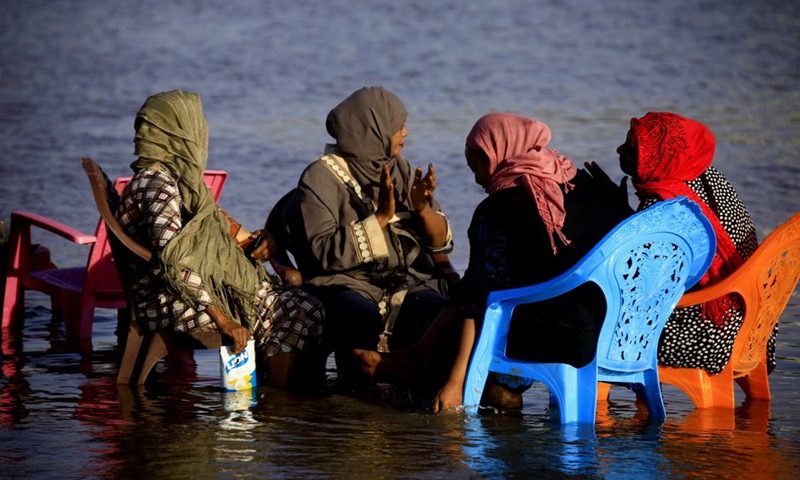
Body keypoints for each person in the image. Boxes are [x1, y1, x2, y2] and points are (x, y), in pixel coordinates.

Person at [356, 112, 631, 412]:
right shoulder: (582, 183)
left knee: (473, 306)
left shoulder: (498, 208)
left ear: (497, 155)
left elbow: (478, 301)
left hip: (557, 337)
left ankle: (438, 371)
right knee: (476, 284)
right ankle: (422, 358)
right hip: (614, 328)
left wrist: (456, 383)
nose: (477, 179)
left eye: (477, 167)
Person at [115, 90, 326, 388]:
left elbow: (217, 228)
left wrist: (259, 240)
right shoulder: (158, 187)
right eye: (195, 123)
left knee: (300, 302)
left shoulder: (177, 181)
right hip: (168, 300)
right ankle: (280, 402)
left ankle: (281, 388)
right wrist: (222, 320)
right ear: (178, 130)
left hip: (181, 292)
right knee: (296, 311)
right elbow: (175, 265)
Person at [283, 86, 455, 377]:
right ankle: (357, 400)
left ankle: (414, 391)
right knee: (359, 318)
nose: (406, 133)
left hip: (402, 281)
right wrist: (379, 219)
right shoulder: (319, 177)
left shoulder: (398, 167)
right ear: (372, 130)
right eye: (398, 127)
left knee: (433, 308)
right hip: (344, 281)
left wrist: (422, 209)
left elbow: (438, 245)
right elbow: (322, 252)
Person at [588, 111, 771, 375]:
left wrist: (607, 217)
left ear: (657, 157)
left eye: (630, 148)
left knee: (589, 315)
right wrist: (624, 211)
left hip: (711, 332)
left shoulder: (664, 204)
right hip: (752, 322)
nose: (619, 150)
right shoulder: (708, 178)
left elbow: (638, 281)